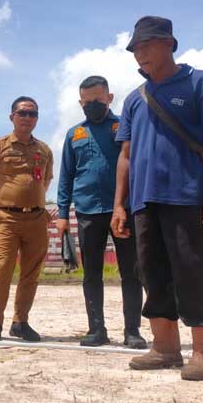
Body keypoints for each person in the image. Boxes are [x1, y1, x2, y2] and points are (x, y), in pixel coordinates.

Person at [112, 16, 203, 381]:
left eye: (146, 46)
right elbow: (126, 156)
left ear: (169, 44)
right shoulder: (135, 99)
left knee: (196, 271)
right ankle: (165, 347)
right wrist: (120, 204)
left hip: (187, 197)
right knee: (152, 272)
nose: (140, 54)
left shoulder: (200, 83)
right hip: (144, 202)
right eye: (135, 49)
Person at [57, 76, 146, 349]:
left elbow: (137, 164)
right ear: (80, 102)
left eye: (97, 100)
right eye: (87, 102)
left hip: (123, 210)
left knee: (131, 273)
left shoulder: (124, 128)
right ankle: (96, 329)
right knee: (91, 274)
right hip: (87, 211)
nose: (92, 106)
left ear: (109, 97)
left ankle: (132, 331)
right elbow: (67, 175)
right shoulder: (74, 134)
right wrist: (62, 213)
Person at [0, 96, 53, 342]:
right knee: (3, 268)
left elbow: (46, 180)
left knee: (31, 272)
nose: (27, 118)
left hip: (36, 219)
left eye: (32, 114)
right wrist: (2, 199)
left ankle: (20, 322)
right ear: (12, 117)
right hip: (7, 218)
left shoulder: (44, 150)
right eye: (22, 113)